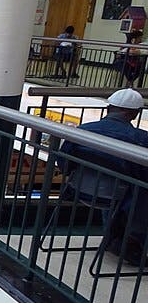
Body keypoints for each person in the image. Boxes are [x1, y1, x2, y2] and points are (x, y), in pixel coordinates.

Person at [59, 88, 147, 262]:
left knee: (116, 186)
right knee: (136, 189)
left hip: (79, 190)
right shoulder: (140, 138)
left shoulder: (83, 130)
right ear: (134, 114)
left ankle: (112, 236)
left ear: (109, 108)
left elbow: (64, 163)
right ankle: (132, 242)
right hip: (119, 199)